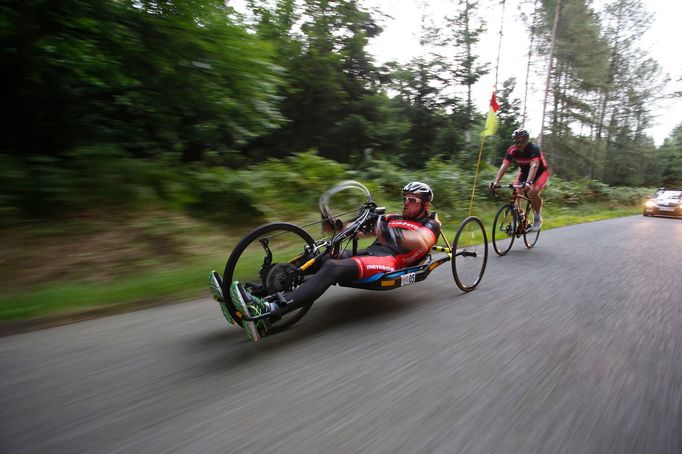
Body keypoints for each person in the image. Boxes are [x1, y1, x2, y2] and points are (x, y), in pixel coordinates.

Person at [228, 182, 441, 342]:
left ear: (425, 204)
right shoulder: (393, 217)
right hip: (370, 253)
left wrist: (385, 231)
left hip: (389, 261)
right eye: (404, 198)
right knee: (321, 256)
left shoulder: (429, 224)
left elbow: (422, 241)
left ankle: (271, 311)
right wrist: (336, 225)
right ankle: (256, 293)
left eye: (412, 200)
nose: (406, 203)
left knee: (332, 267)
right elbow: (358, 230)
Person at [490, 128, 550, 230]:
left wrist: (528, 182)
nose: (518, 144)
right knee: (516, 194)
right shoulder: (512, 150)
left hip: (540, 173)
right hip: (524, 173)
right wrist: (496, 182)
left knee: (532, 193)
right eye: (516, 141)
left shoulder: (534, 149)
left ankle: (537, 216)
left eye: (521, 141)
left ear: (526, 140)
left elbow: (534, 166)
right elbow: (504, 166)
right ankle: (520, 218)